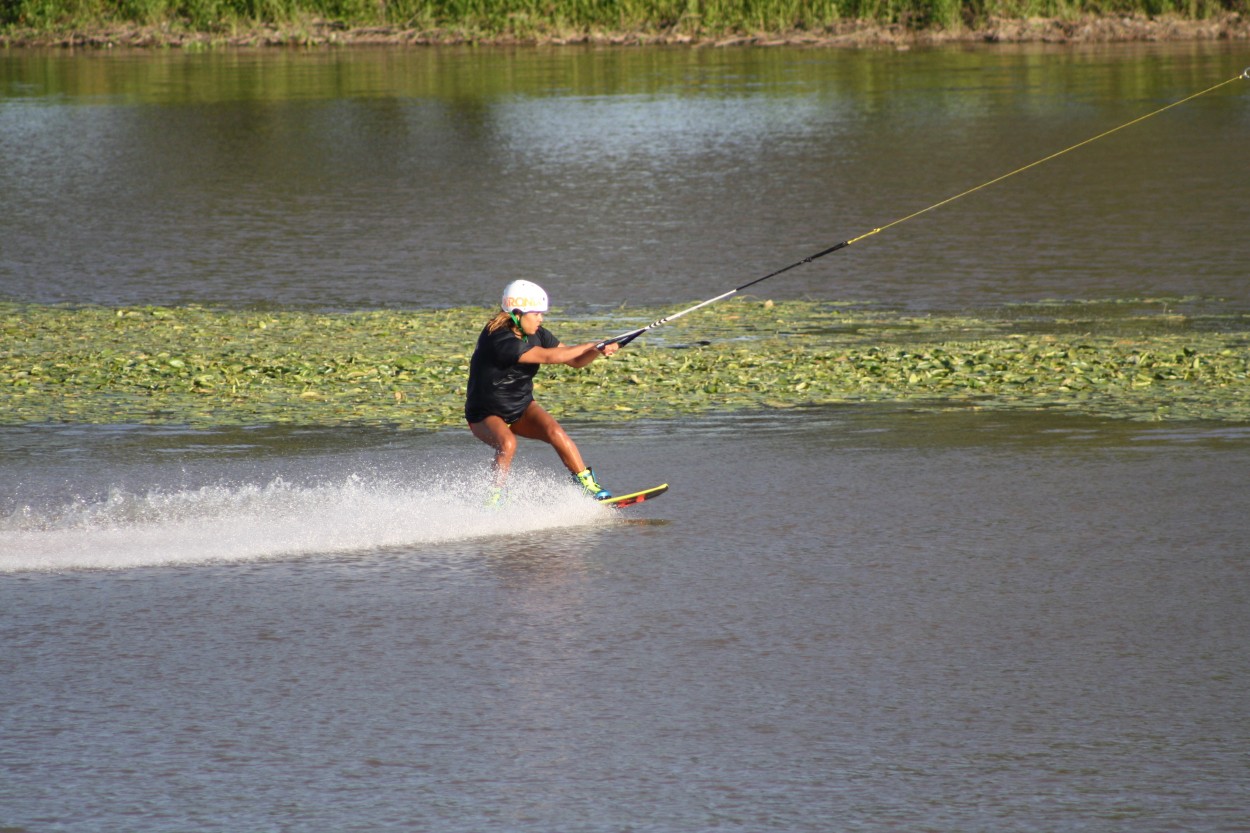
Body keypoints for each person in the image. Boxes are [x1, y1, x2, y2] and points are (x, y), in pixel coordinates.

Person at [465, 280, 620, 503]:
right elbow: (550, 357)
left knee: (556, 433)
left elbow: (575, 360)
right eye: (536, 313)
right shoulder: (499, 339)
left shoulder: (537, 333)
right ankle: (492, 500)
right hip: (485, 413)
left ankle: (587, 486)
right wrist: (592, 343)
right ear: (517, 313)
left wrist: (597, 350)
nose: (541, 319)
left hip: (521, 406)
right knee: (507, 443)